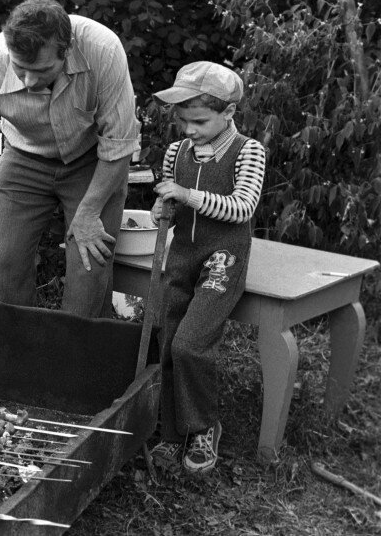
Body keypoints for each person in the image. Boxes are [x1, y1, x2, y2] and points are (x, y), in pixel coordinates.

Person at [0, 0, 140, 317]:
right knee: (1, 262)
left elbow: (119, 145)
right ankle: (9, 360)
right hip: (23, 157)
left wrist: (89, 213)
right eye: (20, 68)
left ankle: (79, 363)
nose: (30, 81)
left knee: (89, 266)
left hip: (92, 162)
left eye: (42, 70)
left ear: (67, 49)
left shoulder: (103, 50)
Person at [148, 62, 266, 474]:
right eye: (182, 121)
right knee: (165, 340)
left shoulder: (247, 151)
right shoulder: (175, 153)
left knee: (189, 343)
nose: (188, 130)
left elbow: (242, 207)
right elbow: (171, 208)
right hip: (181, 257)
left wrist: (186, 194)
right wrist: (161, 207)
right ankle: (170, 433)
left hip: (221, 260)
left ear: (228, 112)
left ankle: (202, 427)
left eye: (198, 121)